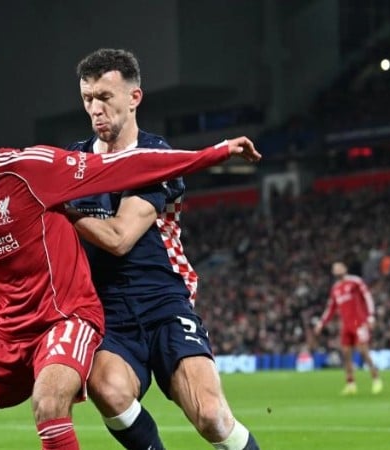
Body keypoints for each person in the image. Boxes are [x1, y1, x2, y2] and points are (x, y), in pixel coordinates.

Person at [0, 99, 261, 450]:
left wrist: (214, 153)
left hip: (65, 318)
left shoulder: (32, 168)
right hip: (6, 328)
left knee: (49, 403)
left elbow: (128, 165)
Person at [65, 48, 261, 450]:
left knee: (211, 416)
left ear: (134, 97)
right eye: (88, 99)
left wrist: (61, 209)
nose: (95, 109)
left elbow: (120, 238)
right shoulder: (74, 161)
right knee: (108, 390)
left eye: (105, 97)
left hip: (163, 301)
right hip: (105, 309)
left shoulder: (156, 156)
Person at [314, 261, 383, 395]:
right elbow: (331, 308)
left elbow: (368, 297)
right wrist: (321, 323)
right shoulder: (335, 288)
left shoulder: (355, 282)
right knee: (346, 355)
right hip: (346, 325)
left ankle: (376, 379)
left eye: (339, 267)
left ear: (345, 269)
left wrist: (371, 317)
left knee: (363, 351)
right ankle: (351, 383)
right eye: (335, 268)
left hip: (359, 323)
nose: (337, 270)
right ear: (333, 272)